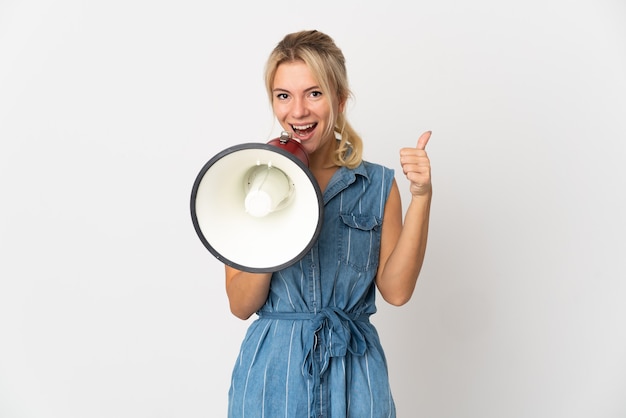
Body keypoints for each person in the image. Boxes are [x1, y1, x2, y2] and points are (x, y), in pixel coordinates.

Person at [225, 29, 432, 418]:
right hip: (274, 378)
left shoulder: (377, 186)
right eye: (283, 95)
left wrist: (421, 196)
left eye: (314, 93)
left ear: (339, 99)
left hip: (355, 375)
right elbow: (240, 304)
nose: (297, 111)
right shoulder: (247, 180)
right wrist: (269, 216)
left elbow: (397, 291)